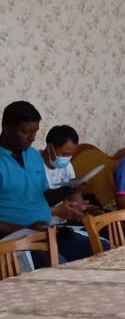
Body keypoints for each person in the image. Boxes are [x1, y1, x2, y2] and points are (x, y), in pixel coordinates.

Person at [0, 101, 73, 270]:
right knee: (63, 270)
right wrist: (25, 228)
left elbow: (42, 196)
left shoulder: (33, 155)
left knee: (100, 250)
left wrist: (68, 189)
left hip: (46, 233)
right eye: (26, 132)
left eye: (35, 132)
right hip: (13, 242)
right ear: (6, 128)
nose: (32, 138)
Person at [41, 125, 109, 260]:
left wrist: (80, 206)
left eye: (70, 155)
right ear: (49, 148)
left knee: (104, 244)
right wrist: (58, 211)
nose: (66, 159)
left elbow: (74, 193)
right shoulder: (35, 165)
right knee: (99, 248)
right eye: (64, 154)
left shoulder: (67, 166)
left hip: (63, 225)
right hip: (42, 228)